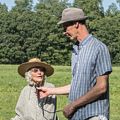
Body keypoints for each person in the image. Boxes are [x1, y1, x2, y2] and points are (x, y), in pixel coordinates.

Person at [37, 7, 112, 120]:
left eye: (65, 27)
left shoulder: (99, 48)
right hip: (77, 116)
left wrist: (73, 105)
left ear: (76, 24)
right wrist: (50, 91)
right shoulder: (76, 50)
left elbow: (101, 87)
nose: (64, 32)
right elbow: (77, 86)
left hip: (94, 115)